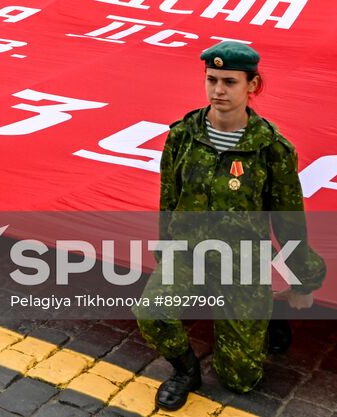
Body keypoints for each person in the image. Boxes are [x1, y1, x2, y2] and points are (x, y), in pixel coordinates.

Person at [135, 42, 326, 410]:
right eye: (212, 80)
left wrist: (303, 281)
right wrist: (165, 254)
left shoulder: (272, 149)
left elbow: (289, 221)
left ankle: (271, 312)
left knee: (240, 381)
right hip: (188, 251)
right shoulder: (182, 137)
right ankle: (185, 370)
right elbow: (168, 199)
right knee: (153, 311)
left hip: (243, 261)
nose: (218, 90)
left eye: (229, 82)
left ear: (252, 86)